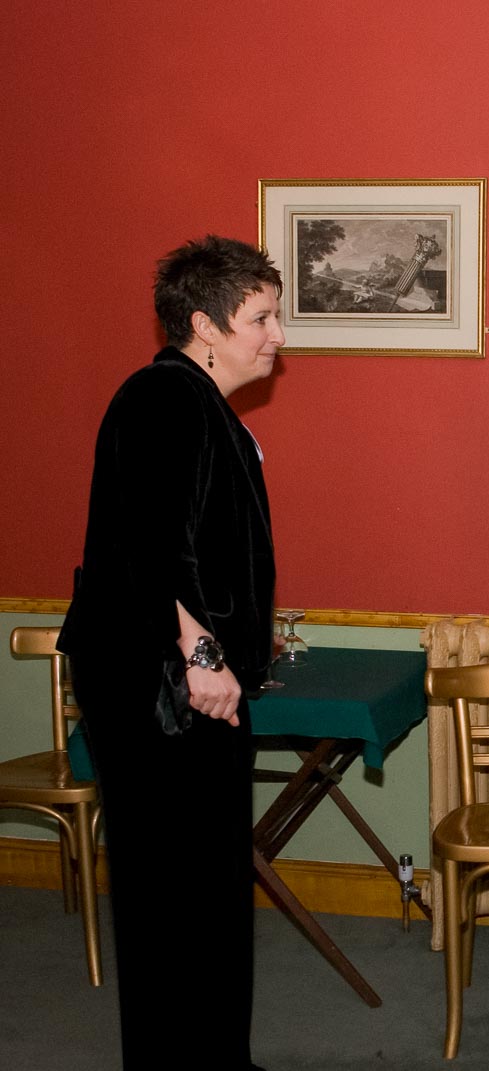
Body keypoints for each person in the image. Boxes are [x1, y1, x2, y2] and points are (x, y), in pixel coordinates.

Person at [58, 235, 282, 1070]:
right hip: (159, 686)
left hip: (182, 679)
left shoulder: (200, 402)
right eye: (261, 316)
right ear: (205, 324)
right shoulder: (164, 397)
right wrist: (204, 657)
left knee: (208, 889)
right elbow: (157, 546)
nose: (277, 334)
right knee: (168, 899)